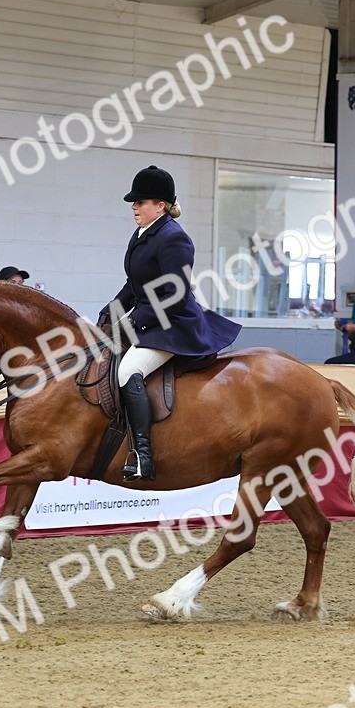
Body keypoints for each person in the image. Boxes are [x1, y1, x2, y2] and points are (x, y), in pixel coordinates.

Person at [97, 165, 241, 481]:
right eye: (134, 202)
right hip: (150, 318)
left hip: (174, 324)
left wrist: (132, 322)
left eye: (141, 201)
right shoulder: (142, 234)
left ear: (160, 205)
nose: (134, 206)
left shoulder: (174, 239)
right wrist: (110, 312)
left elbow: (173, 297)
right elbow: (134, 284)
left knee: (127, 370)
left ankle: (143, 457)